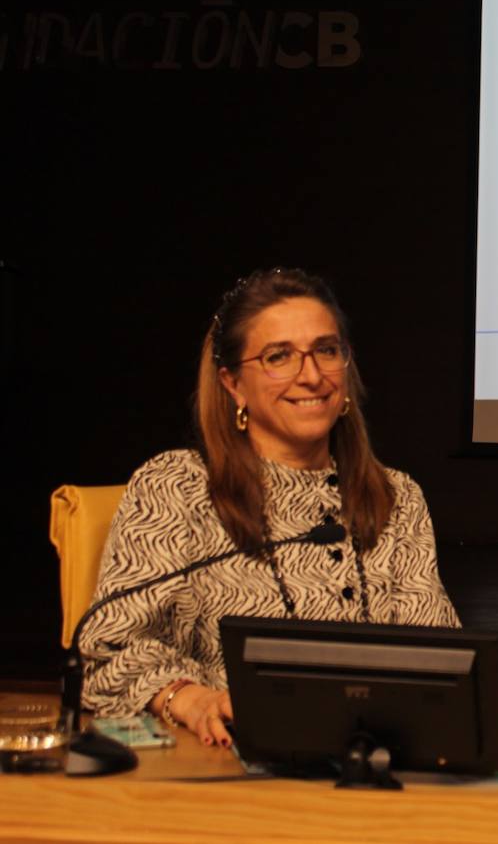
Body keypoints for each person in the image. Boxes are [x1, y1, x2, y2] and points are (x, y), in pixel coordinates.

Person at [80, 268, 460, 747]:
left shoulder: (397, 496)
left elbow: (441, 661)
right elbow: (112, 649)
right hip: (227, 766)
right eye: (279, 356)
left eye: (326, 350)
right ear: (233, 384)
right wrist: (189, 698)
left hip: (380, 764)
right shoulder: (178, 486)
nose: (312, 375)